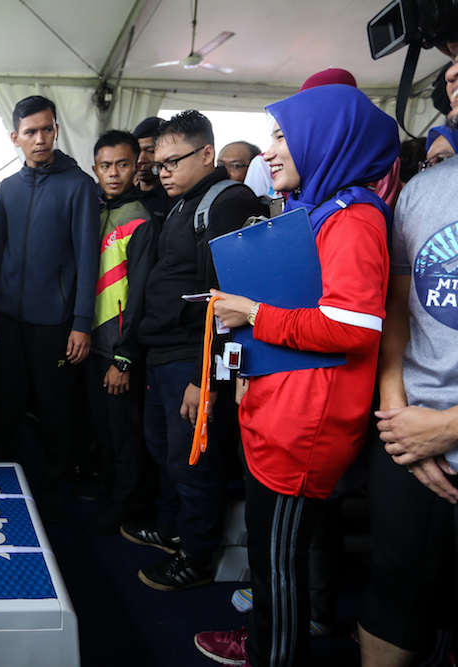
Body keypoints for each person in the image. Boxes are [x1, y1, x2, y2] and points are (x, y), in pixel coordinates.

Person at [195, 84, 399, 667]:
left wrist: (254, 313)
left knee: (279, 566)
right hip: (284, 411)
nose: (269, 151)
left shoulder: (354, 220)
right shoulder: (322, 212)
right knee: (272, 558)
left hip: (304, 425)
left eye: (283, 136)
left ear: (323, 140)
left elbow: (352, 327)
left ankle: (274, 654)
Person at [124, 110, 264, 592]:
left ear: (207, 154)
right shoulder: (183, 203)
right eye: (158, 164)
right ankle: (172, 529)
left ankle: (197, 556)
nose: (162, 172)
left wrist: (208, 379)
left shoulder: (227, 202)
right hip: (164, 352)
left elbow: (229, 300)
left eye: (172, 162)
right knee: (165, 452)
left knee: (193, 461)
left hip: (192, 357)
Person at [361, 44, 458, 667]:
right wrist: (398, 416)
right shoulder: (423, 189)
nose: (453, 73)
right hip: (410, 433)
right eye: (453, 63)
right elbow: (399, 307)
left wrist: (448, 428)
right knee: (395, 585)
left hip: (439, 428)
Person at [0, 95, 99, 523]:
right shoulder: (8, 189)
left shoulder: (79, 185)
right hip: (8, 318)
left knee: (54, 409)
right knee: (8, 403)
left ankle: (51, 491)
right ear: (15, 137)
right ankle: (7, 481)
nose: (40, 138)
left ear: (56, 130)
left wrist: (81, 322)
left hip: (56, 322)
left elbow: (88, 258)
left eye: (47, 129)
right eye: (30, 132)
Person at [83, 129, 158, 536]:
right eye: (106, 165)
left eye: (122, 164)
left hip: (119, 348)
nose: (113, 173)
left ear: (136, 167)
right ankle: (110, 484)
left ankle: (126, 501)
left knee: (125, 431)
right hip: (92, 343)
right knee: (103, 427)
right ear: (95, 168)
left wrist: (125, 356)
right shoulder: (93, 211)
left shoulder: (140, 218)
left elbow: (141, 293)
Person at [132, 116, 171, 223]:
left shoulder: (174, 197)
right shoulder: (127, 196)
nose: (141, 159)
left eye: (150, 151)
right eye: (137, 151)